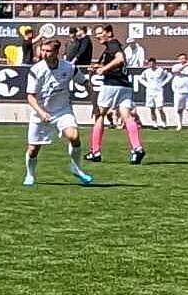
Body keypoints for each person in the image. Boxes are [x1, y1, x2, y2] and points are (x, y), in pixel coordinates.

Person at [18, 32, 95, 187]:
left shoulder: (69, 67)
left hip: (62, 111)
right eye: (43, 50)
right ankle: (30, 174)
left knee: (74, 136)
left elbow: (85, 82)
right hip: (40, 113)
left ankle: (76, 167)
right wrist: (41, 112)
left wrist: (94, 101)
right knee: (33, 149)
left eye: (48, 51)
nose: (44, 54)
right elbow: (30, 97)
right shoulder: (36, 70)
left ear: (56, 52)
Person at [86, 24, 146, 165]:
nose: (97, 36)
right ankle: (137, 148)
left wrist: (103, 69)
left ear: (109, 33)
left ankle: (95, 152)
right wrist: (99, 67)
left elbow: (120, 59)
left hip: (111, 85)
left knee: (99, 115)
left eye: (100, 33)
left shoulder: (112, 45)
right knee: (127, 116)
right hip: (125, 85)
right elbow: (118, 65)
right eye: (96, 34)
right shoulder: (115, 45)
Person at [138, 53, 170, 129]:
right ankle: (154, 124)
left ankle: (164, 124)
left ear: (155, 63)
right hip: (150, 91)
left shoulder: (160, 70)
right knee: (152, 109)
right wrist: (146, 84)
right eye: (150, 63)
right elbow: (140, 79)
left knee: (160, 108)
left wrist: (163, 83)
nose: (151, 65)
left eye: (153, 63)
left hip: (158, 91)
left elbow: (169, 75)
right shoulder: (146, 71)